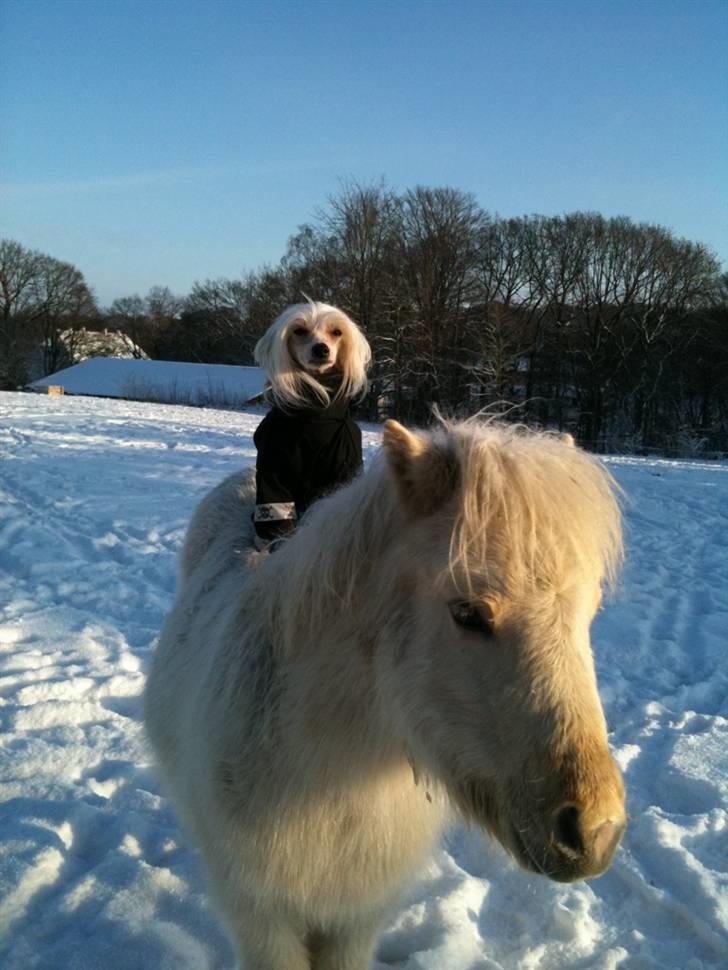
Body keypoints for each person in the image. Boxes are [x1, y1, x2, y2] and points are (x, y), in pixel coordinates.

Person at [251, 299, 371, 546]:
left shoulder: (346, 432)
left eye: (335, 333)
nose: (321, 344)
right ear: (280, 348)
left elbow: (350, 495)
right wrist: (277, 547)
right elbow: (273, 489)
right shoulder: (277, 431)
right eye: (301, 333)